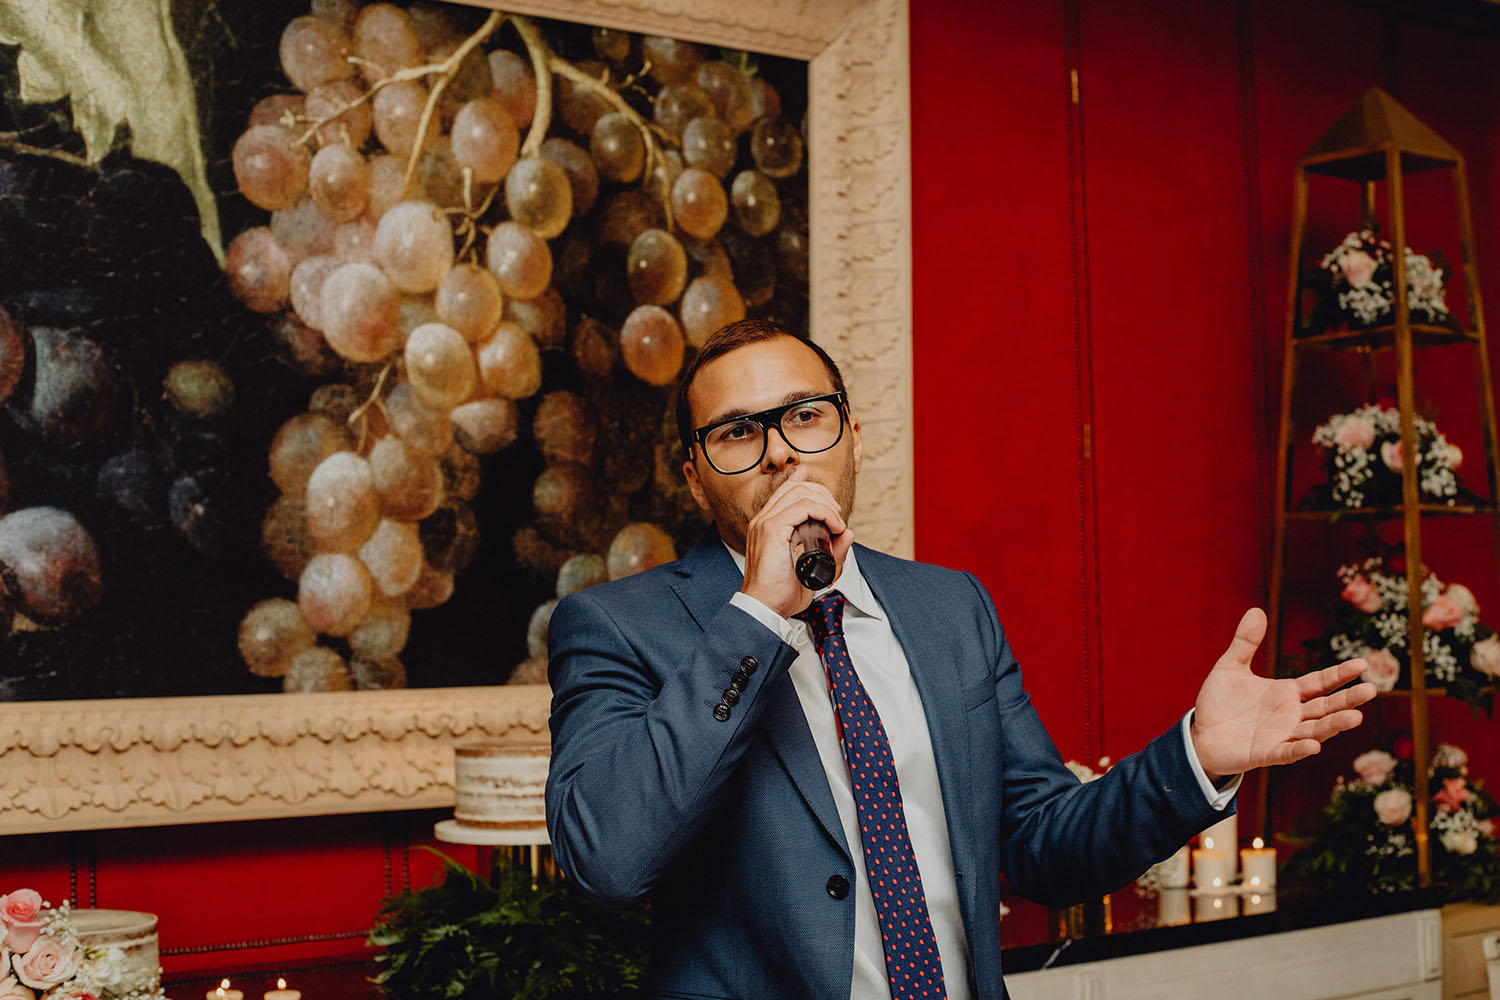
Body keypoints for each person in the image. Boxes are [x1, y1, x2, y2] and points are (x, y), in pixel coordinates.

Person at [545, 318, 1374, 1000]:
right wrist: (757, 616)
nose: (780, 452)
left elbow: (1042, 843)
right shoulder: (615, 627)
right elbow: (606, 862)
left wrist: (1197, 757)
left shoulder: (951, 608)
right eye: (736, 432)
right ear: (696, 479)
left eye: (805, 416)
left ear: (853, 439)